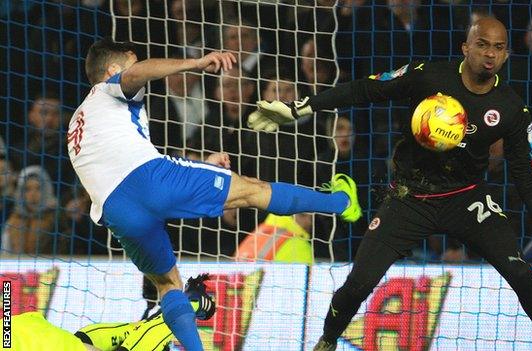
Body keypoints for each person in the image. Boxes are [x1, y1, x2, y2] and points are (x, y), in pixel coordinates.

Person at [248, 17, 532, 351]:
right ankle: (326, 340)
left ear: (506, 54)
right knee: (358, 283)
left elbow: (527, 177)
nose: (490, 54)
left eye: (498, 48)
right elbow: (367, 88)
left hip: (466, 198)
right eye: (482, 45)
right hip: (411, 197)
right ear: (466, 47)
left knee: (522, 275)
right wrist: (301, 108)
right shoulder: (429, 76)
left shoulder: (510, 108)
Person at [67, 38, 362, 351]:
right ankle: (342, 202)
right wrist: (196, 63)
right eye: (132, 61)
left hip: (117, 212)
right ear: (113, 69)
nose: (136, 67)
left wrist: (197, 166)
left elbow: (124, 161)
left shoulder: (77, 122)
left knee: (169, 286)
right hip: (148, 180)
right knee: (252, 190)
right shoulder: (109, 88)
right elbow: (144, 167)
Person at [9, 275, 215, 351]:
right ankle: (182, 305)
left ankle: (188, 304)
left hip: (25, 340)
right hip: (20, 328)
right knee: (84, 340)